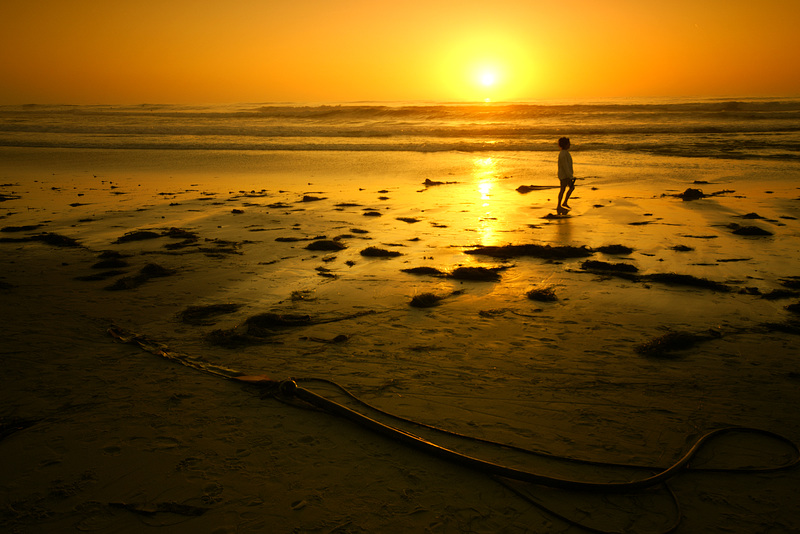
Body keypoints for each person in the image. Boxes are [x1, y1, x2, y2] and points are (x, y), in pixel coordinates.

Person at [556, 137, 575, 215]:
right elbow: (565, 166)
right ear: (566, 145)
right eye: (568, 144)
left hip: (565, 175)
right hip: (564, 176)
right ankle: (561, 204)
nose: (570, 145)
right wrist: (570, 176)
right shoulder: (563, 154)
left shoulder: (564, 153)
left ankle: (562, 203)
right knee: (565, 189)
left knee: (565, 189)